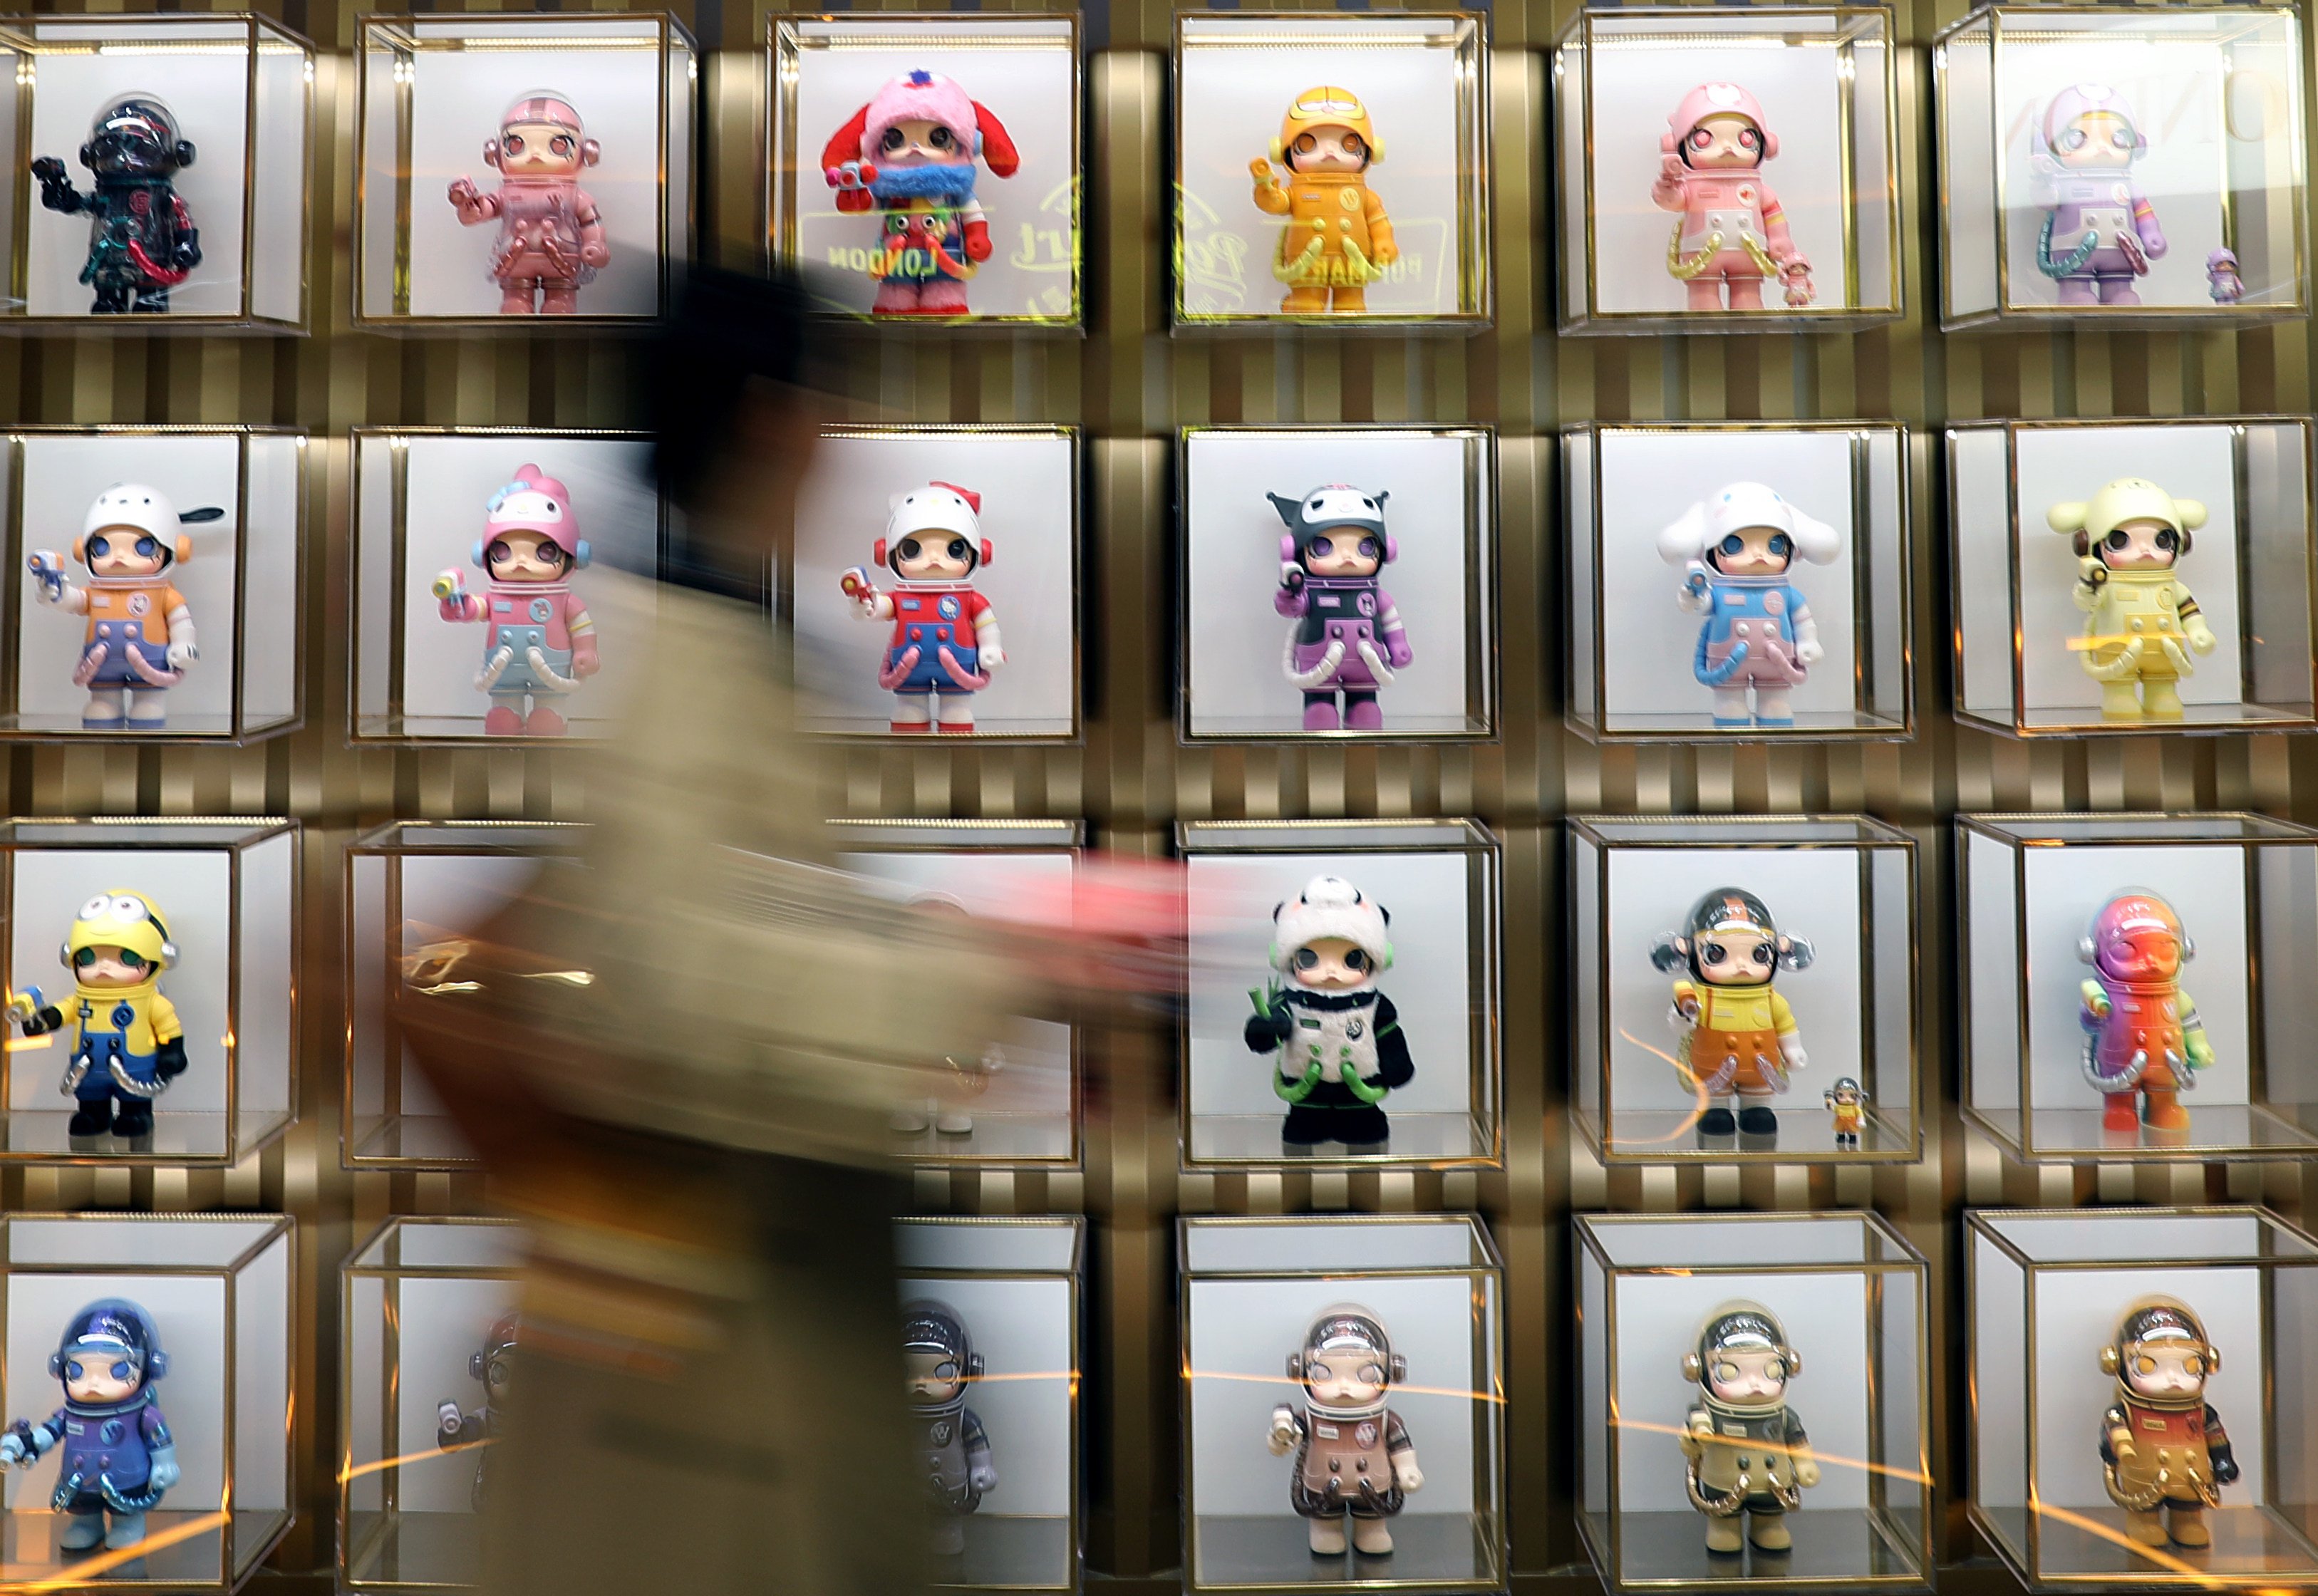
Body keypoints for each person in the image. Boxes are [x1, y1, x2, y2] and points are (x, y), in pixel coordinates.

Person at [398, 266, 1035, 1596]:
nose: (837, 442)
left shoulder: (706, 631)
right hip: (717, 1316)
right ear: (771, 418)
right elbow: (695, 955)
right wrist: (979, 968)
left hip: (721, 1302)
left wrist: (907, 944)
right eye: (825, 407)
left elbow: (700, 902)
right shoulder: (683, 651)